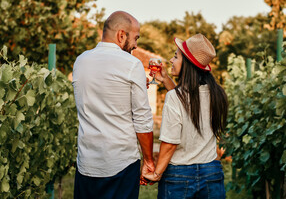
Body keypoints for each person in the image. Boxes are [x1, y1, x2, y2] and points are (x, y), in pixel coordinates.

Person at [72, 11, 155, 199]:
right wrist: (148, 161)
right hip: (120, 164)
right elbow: (142, 120)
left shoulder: (81, 61)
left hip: (86, 164)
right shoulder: (132, 65)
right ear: (121, 35)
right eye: (136, 38)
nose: (136, 45)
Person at [144, 33, 228, 199]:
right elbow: (188, 103)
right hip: (211, 172)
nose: (171, 60)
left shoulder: (175, 98)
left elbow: (169, 143)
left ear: (187, 64)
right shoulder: (217, 94)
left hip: (178, 175)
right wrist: (166, 79)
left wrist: (157, 173)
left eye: (175, 56)